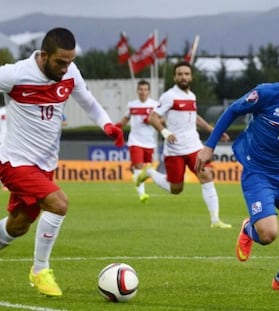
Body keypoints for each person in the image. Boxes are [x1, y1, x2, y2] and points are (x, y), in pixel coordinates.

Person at [0, 27, 124, 297]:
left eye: (69, 61)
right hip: (14, 162)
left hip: (46, 165)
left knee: (18, 224)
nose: (65, 68)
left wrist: (107, 125)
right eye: (60, 62)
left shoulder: (70, 72)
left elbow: (89, 102)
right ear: (44, 55)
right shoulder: (14, 74)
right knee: (58, 204)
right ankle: (40, 270)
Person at [195, 55, 279, 291]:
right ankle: (249, 228)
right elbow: (233, 110)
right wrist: (209, 146)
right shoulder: (268, 93)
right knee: (268, 234)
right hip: (258, 170)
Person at [139, 61, 232, 229]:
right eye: (180, 74)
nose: (183, 77)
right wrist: (165, 132)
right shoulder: (169, 96)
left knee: (206, 175)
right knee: (176, 189)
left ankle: (215, 220)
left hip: (194, 146)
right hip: (174, 150)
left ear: (191, 76)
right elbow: (152, 117)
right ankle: (150, 172)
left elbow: (195, 117)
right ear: (174, 77)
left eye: (186, 74)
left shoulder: (192, 96)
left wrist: (213, 131)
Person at [116, 80, 158, 203]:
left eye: (145, 89)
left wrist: (152, 120)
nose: (143, 92)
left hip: (149, 142)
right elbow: (124, 120)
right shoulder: (132, 105)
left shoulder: (155, 105)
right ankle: (142, 195)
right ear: (137, 91)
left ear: (149, 91)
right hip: (135, 141)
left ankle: (134, 170)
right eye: (141, 89)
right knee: (139, 167)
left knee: (148, 169)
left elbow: (161, 120)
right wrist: (114, 129)